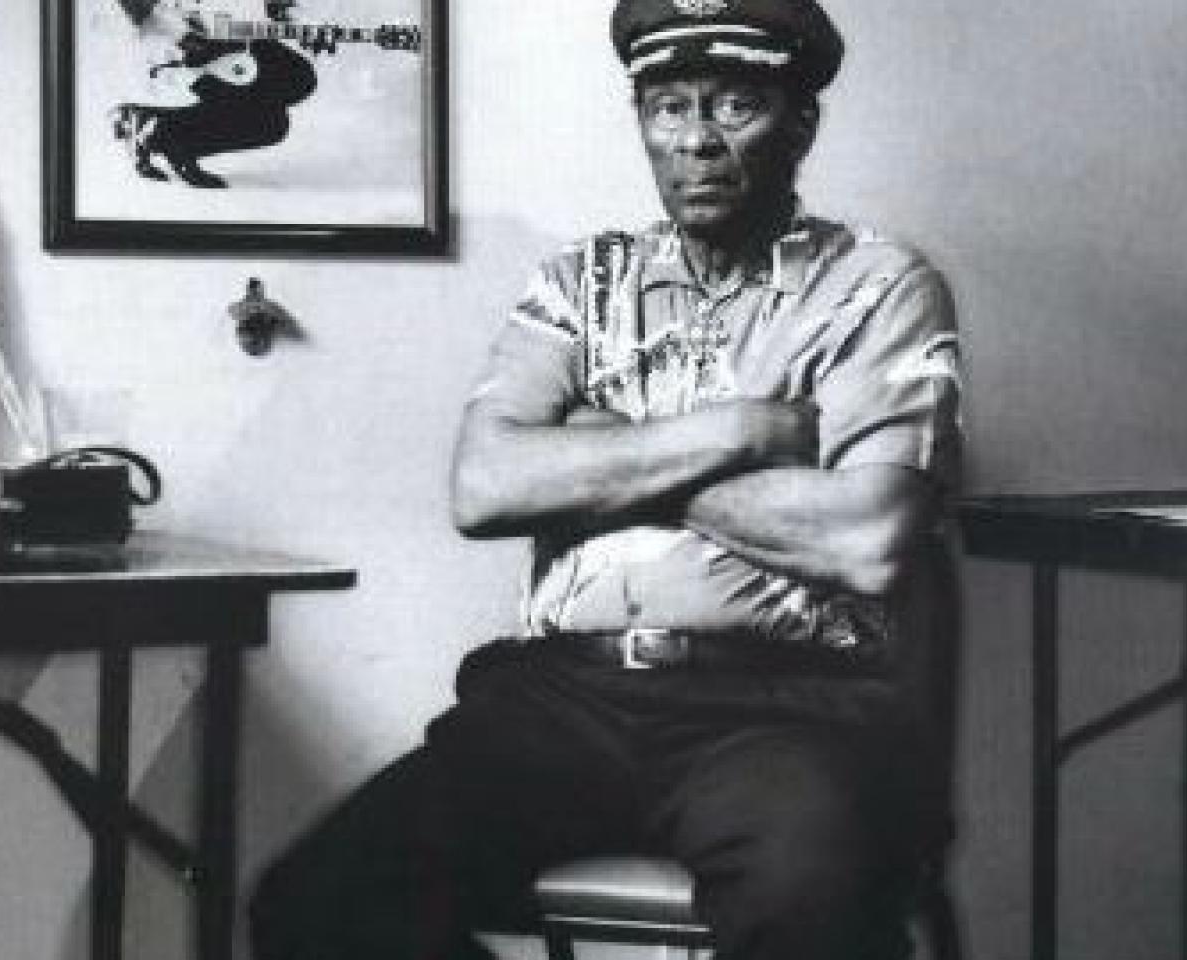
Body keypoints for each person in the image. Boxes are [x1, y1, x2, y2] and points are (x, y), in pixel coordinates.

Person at [249, 1, 963, 957]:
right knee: (319, 897)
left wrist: (598, 454)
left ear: (800, 123)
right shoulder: (580, 283)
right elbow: (484, 487)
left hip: (780, 713)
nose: (697, 140)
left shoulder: (878, 286)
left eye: (736, 105)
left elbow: (865, 541)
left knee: (811, 906)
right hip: (565, 704)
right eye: (668, 107)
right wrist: (740, 434)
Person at [109, 0, 317, 188]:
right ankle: (165, 135)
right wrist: (183, 36)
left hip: (227, 30)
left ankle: (155, 127)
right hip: (192, 40)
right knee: (271, 122)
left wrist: (290, 24)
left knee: (293, 87)